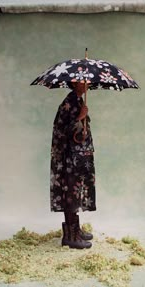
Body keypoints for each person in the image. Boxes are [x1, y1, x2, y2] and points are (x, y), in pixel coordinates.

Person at [50, 82, 96, 249]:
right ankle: (70, 236)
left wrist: (82, 118)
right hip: (70, 159)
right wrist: (79, 117)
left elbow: (80, 134)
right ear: (74, 83)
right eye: (83, 81)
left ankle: (74, 230)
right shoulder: (68, 103)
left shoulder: (77, 101)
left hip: (78, 158)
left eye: (88, 81)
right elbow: (63, 130)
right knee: (70, 192)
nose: (87, 84)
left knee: (75, 192)